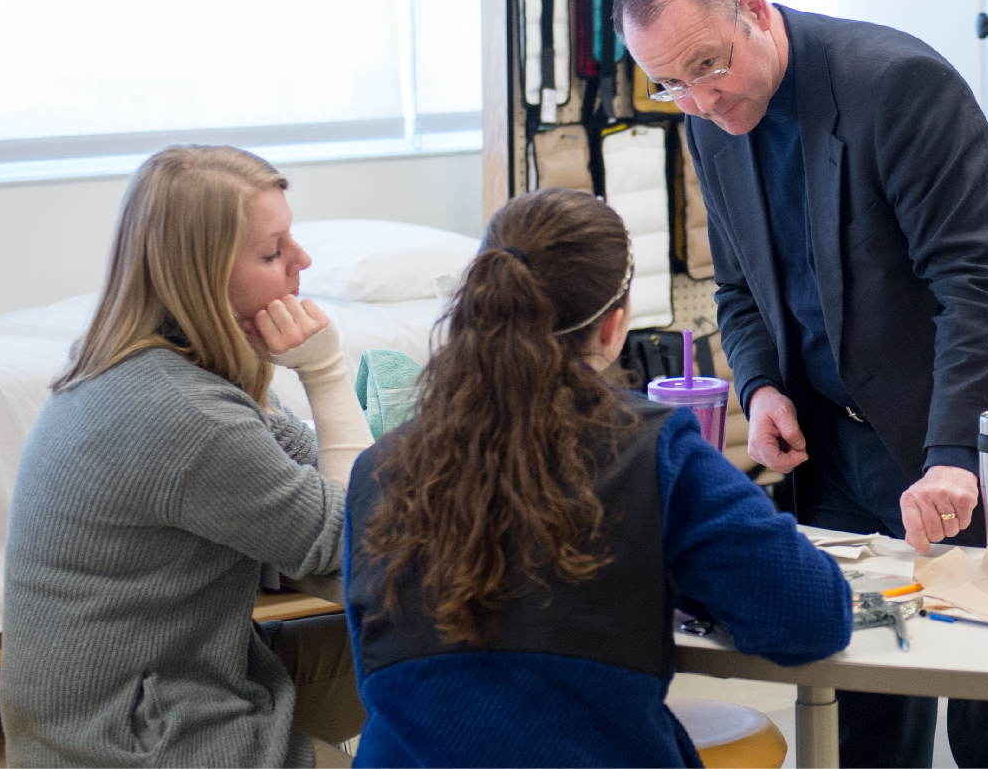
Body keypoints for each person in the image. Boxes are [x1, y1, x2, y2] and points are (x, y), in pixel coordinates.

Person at [617, 0, 988, 769]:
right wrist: (764, 386)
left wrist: (955, 453)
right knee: (869, 691)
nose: (697, 99)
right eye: (668, 84)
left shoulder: (895, 84)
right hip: (836, 439)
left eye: (706, 66)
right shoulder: (707, 120)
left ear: (752, 8)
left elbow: (979, 283)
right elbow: (737, 287)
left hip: (968, 431)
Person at [342, 187, 852, 767]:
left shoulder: (377, 470)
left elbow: (379, 666)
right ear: (613, 327)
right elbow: (812, 618)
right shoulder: (649, 447)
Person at [0, 145, 372, 767]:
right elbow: (357, 536)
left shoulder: (141, 360)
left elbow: (303, 467)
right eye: (273, 252)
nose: (303, 262)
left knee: (428, 653)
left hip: (154, 692)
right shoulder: (185, 418)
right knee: (437, 669)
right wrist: (326, 371)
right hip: (140, 740)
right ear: (202, 277)